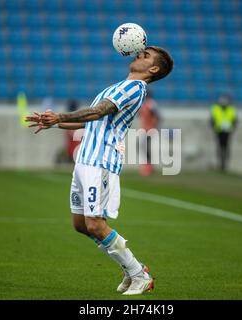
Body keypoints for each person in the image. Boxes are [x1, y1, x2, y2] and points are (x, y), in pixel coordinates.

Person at [26, 47, 173, 295]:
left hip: (100, 161)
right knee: (80, 224)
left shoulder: (134, 88)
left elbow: (99, 111)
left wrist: (60, 114)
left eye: (145, 55)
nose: (138, 54)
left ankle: (138, 274)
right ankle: (130, 269)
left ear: (154, 69)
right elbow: (90, 119)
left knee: (94, 224)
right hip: (85, 160)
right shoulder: (120, 86)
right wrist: (55, 122)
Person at [210, 94, 237, 171]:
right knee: (219, 147)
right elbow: (212, 119)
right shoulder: (215, 108)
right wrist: (214, 127)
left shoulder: (232, 109)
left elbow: (234, 120)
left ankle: (225, 164)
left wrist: (232, 128)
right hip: (218, 131)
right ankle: (220, 163)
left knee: (226, 147)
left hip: (228, 131)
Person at [138, 92, 160, 176]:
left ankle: (148, 167)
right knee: (145, 147)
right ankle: (148, 166)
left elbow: (156, 116)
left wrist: (153, 126)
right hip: (145, 128)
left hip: (149, 129)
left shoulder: (150, 104)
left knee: (146, 148)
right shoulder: (147, 104)